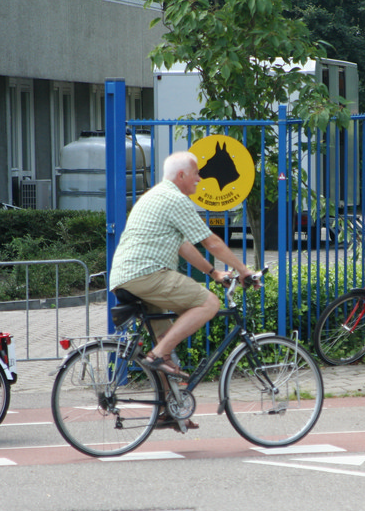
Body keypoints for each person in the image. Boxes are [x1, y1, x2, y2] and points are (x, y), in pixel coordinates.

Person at [109, 151, 256, 382]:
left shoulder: (154, 195)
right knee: (209, 303)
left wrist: (214, 273)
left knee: (166, 345)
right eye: (195, 173)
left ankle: (168, 403)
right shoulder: (175, 199)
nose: (199, 178)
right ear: (181, 175)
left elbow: (184, 246)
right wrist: (244, 270)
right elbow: (211, 242)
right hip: (147, 274)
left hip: (126, 277)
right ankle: (157, 354)